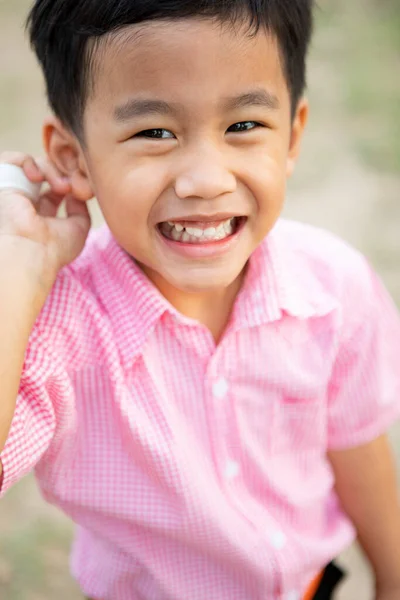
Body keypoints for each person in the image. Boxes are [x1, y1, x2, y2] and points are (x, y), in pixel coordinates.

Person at [1, 1, 400, 599]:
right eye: (154, 132)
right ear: (74, 159)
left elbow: (359, 449)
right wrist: (18, 268)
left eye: (243, 127)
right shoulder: (54, 329)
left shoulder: (332, 289)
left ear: (292, 135)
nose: (206, 180)